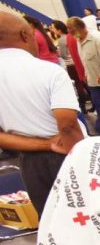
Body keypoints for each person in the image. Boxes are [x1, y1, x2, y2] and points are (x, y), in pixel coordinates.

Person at [0, 13, 84, 212]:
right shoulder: (49, 71)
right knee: (86, 215)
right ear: (25, 35)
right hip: (67, 154)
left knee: (50, 218)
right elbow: (67, 125)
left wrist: (44, 145)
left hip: (29, 161)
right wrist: (83, 159)